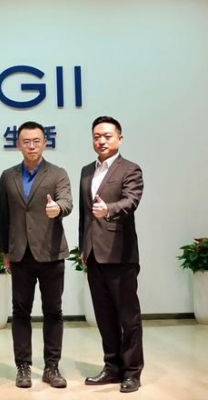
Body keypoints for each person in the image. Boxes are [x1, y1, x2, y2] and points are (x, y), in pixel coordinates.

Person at [0, 121, 72, 389]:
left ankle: (52, 367)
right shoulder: (8, 176)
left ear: (45, 143)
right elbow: (3, 216)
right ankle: (23, 367)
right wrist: (6, 251)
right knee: (20, 312)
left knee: (53, 311)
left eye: (36, 141)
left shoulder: (57, 173)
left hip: (51, 252)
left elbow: (66, 201)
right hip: (21, 254)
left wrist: (57, 209)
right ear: (19, 144)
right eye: (26, 141)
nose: (31, 146)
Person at [80, 116, 144, 393]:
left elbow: (131, 201)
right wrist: (83, 247)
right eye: (97, 136)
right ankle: (112, 367)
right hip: (94, 255)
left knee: (128, 317)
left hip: (120, 254)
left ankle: (132, 372)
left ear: (120, 138)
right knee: (104, 316)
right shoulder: (86, 171)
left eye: (107, 136)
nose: (101, 141)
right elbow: (85, 216)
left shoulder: (130, 169)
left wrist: (110, 210)